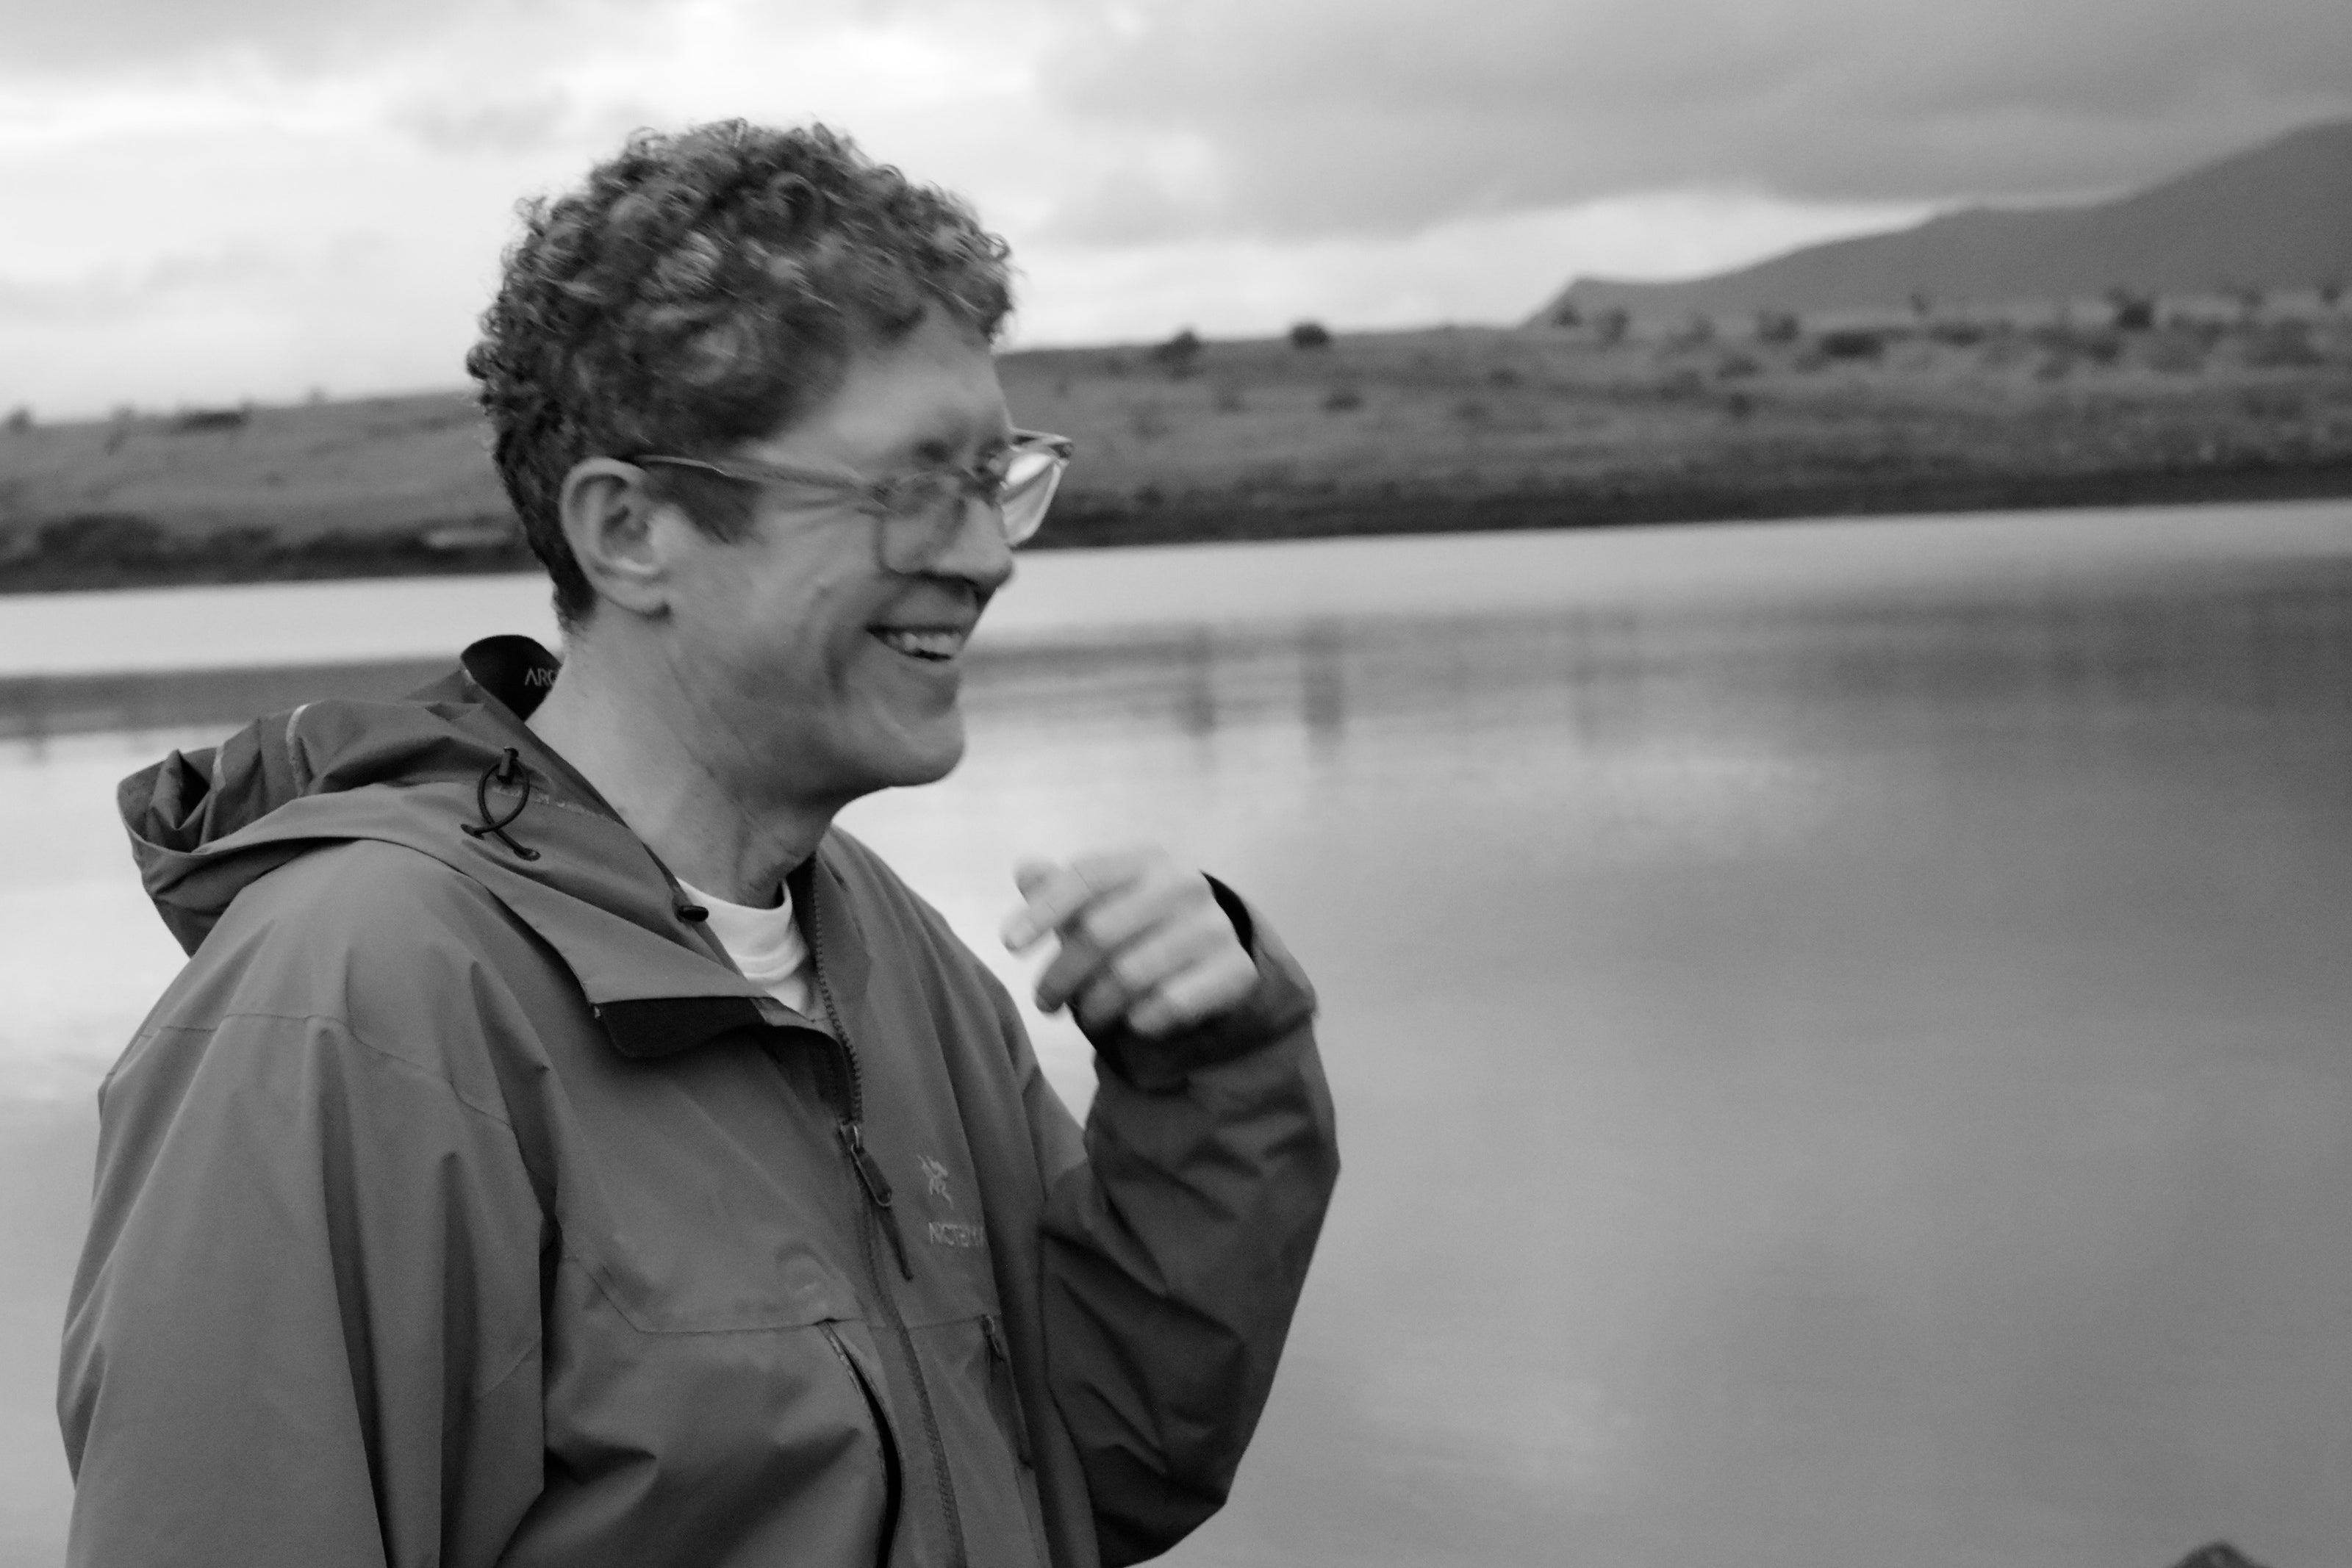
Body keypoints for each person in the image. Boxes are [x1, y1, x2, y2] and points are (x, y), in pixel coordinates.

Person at [59, 121, 1338, 1568]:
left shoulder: (882, 949)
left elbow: (1091, 1470)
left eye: (996, 477)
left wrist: (1204, 1069)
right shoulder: (348, 1013)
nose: (987, 553)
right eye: (910, 483)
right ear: (631, 530)